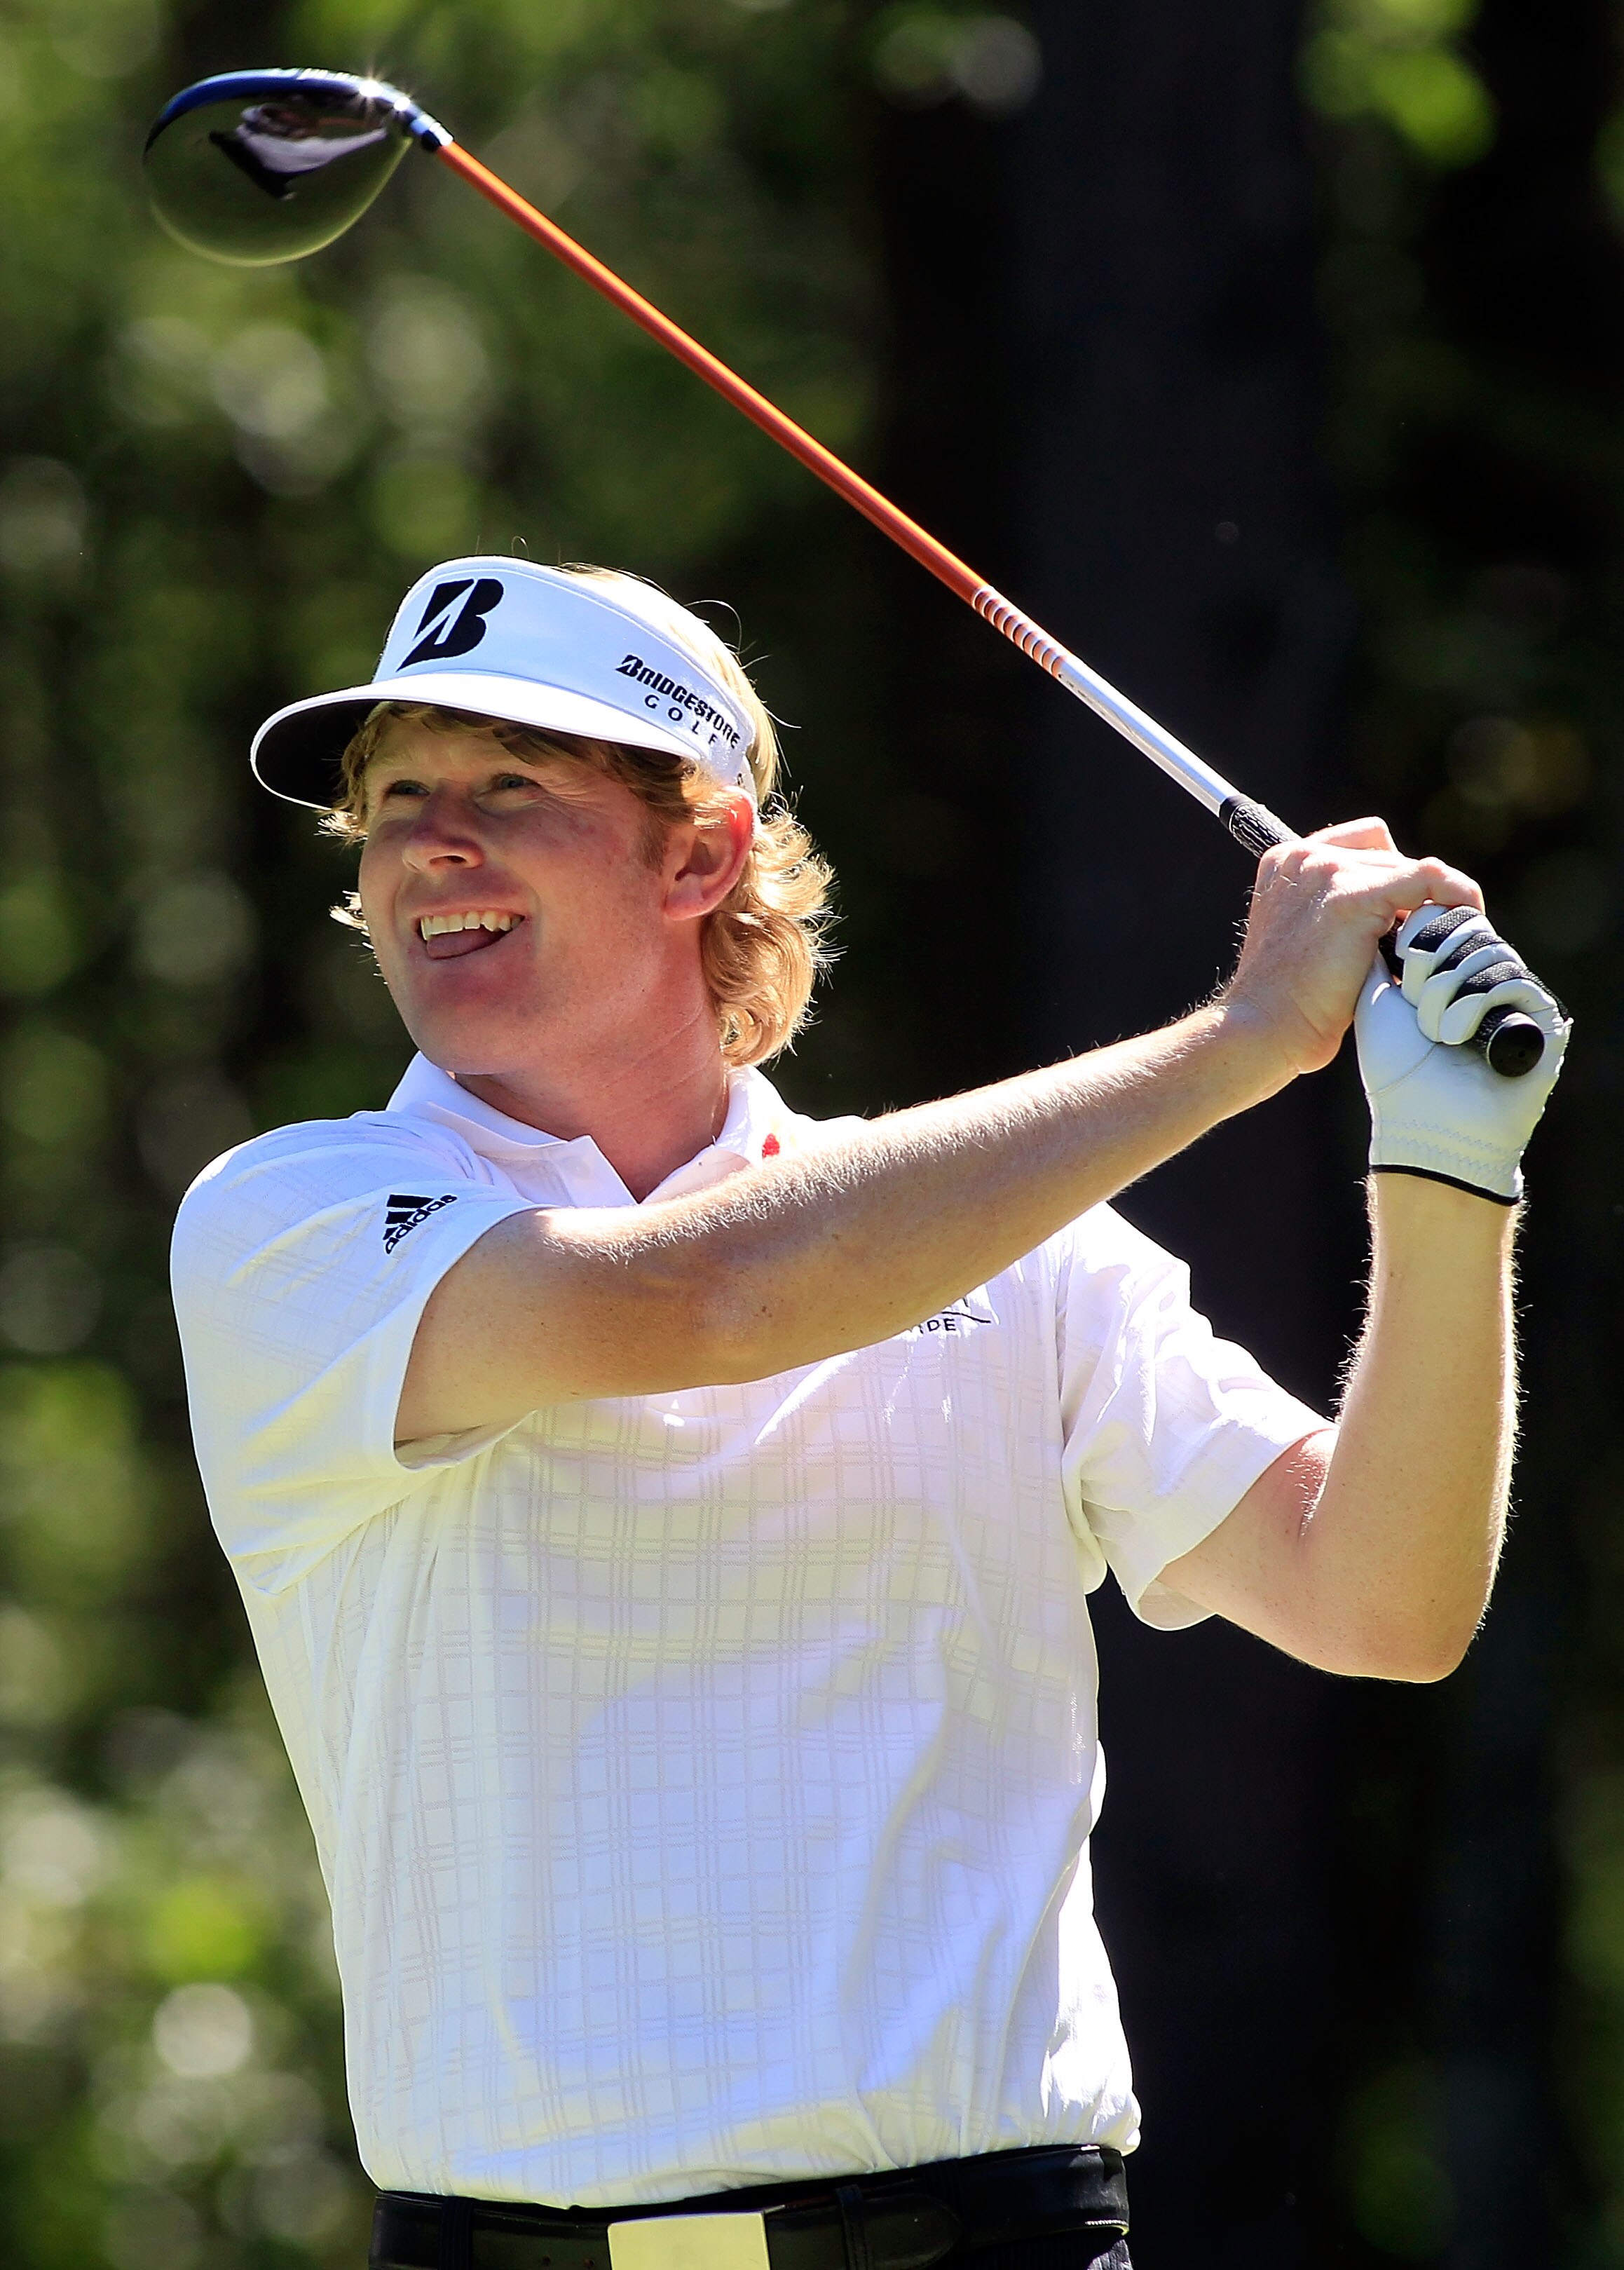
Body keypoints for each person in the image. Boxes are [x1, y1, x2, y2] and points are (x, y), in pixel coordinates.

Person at [170, 555, 1568, 2270]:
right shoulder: (294, 1217)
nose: (428, 844)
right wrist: (1242, 1037)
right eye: (393, 800)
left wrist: (1445, 1179)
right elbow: (706, 1297)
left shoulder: (1026, 1251)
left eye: (508, 784)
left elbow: (1385, 1602)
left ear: (702, 850)